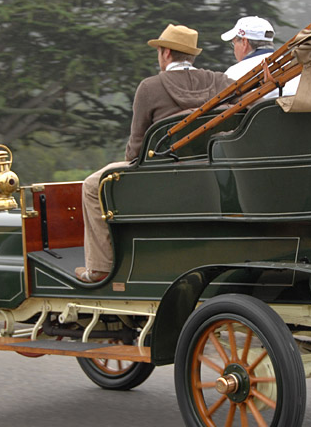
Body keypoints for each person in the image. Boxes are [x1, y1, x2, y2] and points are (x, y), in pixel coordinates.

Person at [76, 24, 233, 283]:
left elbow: (135, 150)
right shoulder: (220, 81)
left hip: (161, 173)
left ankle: (101, 267)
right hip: (211, 168)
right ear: (191, 56)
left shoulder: (150, 87)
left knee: (93, 185)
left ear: (166, 53)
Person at [221, 16, 298, 97]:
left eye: (234, 43)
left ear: (244, 42)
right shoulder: (292, 66)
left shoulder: (233, 73)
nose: (234, 49)